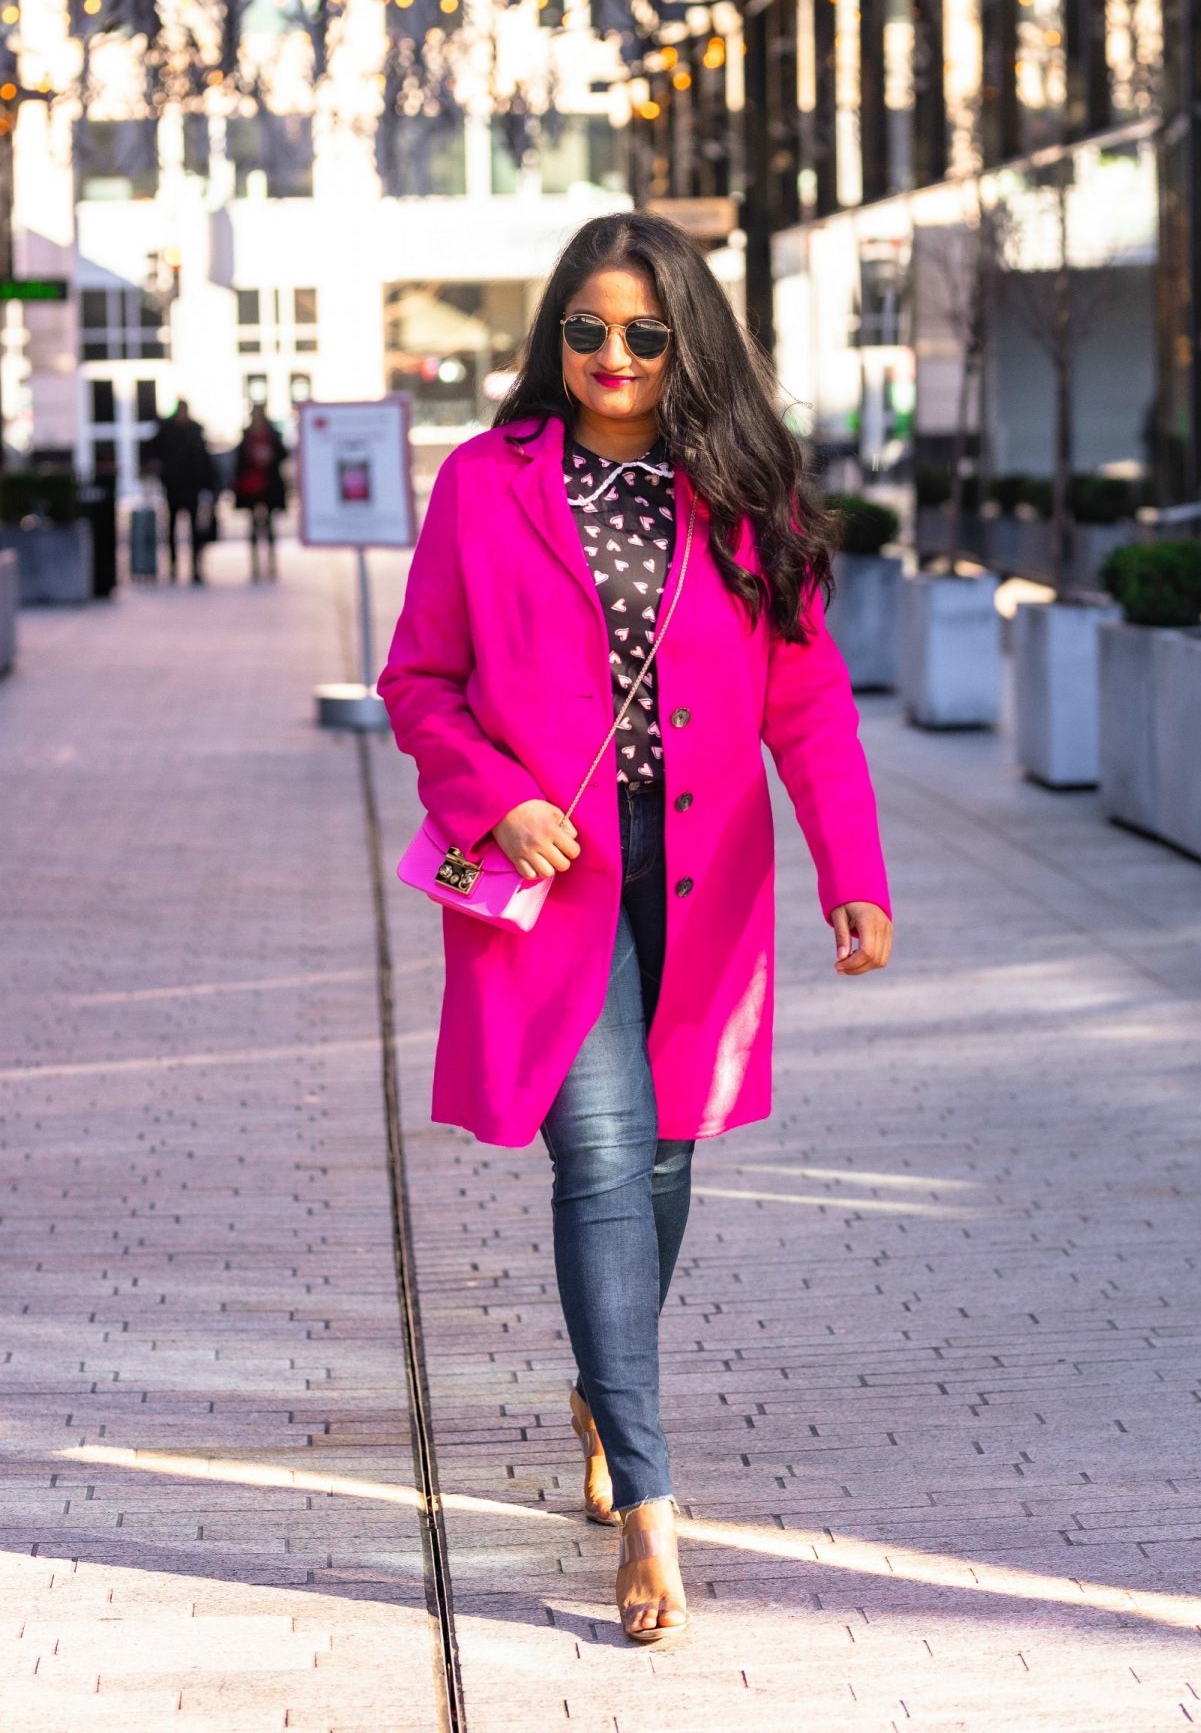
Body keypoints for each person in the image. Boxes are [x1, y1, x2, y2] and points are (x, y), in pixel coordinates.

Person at [378, 213, 892, 1648]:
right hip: (557, 882)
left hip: (703, 871)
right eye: (586, 331)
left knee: (662, 1154)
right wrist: (493, 797)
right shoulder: (487, 484)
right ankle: (652, 1508)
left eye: (644, 335)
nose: (611, 357)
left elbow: (807, 700)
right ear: (556, 338)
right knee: (600, 1153)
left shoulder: (746, 491)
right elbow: (418, 681)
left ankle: (608, 1390)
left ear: (689, 345)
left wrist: (852, 870)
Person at [146, 400, 217, 585]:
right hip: (174, 486)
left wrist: (208, 486)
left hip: (191, 486)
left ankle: (195, 567)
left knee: (195, 529)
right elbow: (152, 451)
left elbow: (203, 459)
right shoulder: (167, 431)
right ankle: (172, 566)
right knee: (172, 527)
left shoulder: (194, 430)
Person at [231, 401, 289, 580]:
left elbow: (283, 454)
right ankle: (255, 565)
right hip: (251, 485)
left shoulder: (272, 434)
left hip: (268, 484)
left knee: (270, 526)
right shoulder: (247, 435)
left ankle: (271, 564)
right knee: (253, 527)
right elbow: (238, 461)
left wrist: (270, 456)